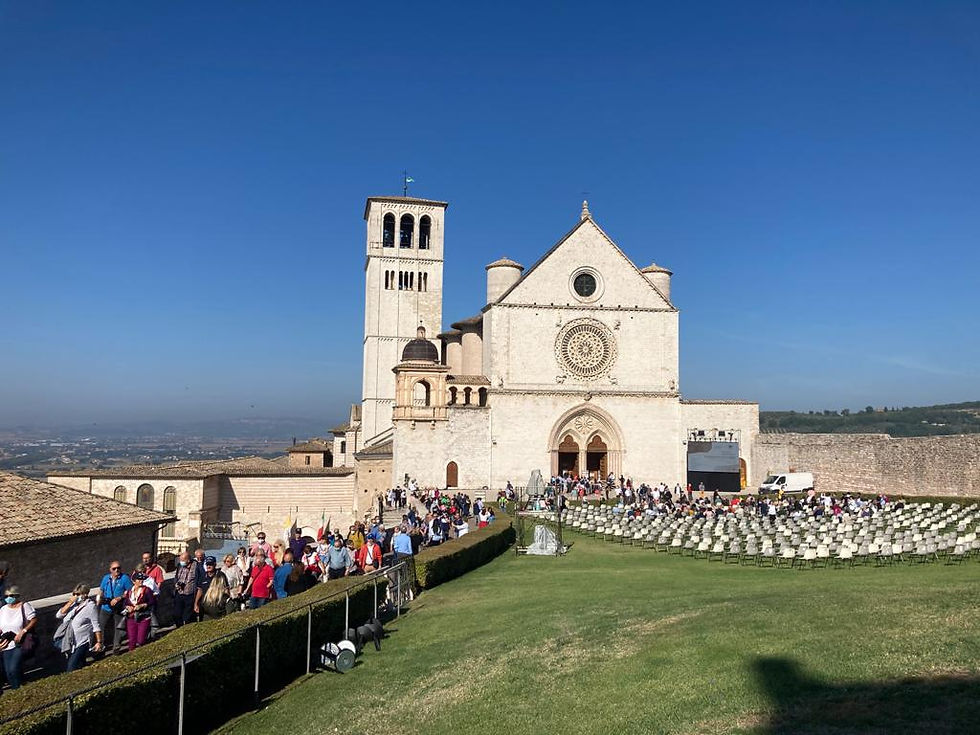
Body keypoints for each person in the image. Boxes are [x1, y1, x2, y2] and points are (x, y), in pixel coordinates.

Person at [55, 584, 102, 672]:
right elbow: (59, 615)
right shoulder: (73, 605)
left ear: (85, 594)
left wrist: (99, 642)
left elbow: (96, 625)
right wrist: (70, 603)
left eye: (78, 594)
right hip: (70, 641)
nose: (76, 597)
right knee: (80, 665)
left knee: (71, 667)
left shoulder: (90, 606)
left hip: (82, 641)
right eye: (74, 594)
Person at [0, 586, 36, 690]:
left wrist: (23, 631)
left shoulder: (24, 606)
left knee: (13, 669)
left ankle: (18, 689)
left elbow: (33, 620)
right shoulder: (3, 609)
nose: (8, 598)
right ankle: (16, 689)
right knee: (8, 672)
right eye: (6, 596)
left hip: (20, 642)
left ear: (16, 596)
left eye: (10, 596)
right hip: (6, 643)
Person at [98, 560, 132, 655]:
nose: (117, 570)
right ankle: (100, 647)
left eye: (118, 568)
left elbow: (130, 592)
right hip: (106, 607)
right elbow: (101, 590)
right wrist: (99, 599)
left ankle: (116, 647)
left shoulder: (125, 578)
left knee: (118, 627)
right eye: (114, 568)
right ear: (110, 570)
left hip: (119, 607)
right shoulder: (106, 578)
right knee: (100, 627)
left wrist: (119, 598)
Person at [122, 573, 154, 651]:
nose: (141, 581)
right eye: (139, 580)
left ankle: (142, 651)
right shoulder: (129, 591)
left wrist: (143, 605)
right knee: (132, 639)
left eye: (142, 579)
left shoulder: (146, 590)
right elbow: (125, 603)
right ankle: (131, 654)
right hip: (131, 617)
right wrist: (127, 607)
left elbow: (152, 602)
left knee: (140, 639)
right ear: (133, 581)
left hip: (143, 617)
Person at [172, 551, 204, 628]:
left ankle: (189, 630)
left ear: (188, 560)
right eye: (180, 560)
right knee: (176, 614)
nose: (181, 562)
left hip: (190, 595)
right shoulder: (180, 566)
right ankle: (179, 629)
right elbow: (176, 577)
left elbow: (200, 582)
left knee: (188, 617)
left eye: (183, 560)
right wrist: (176, 584)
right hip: (179, 594)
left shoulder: (197, 567)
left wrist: (196, 601)